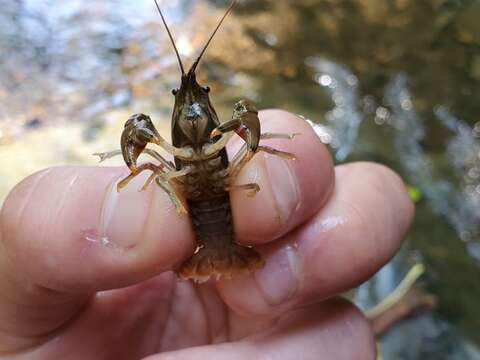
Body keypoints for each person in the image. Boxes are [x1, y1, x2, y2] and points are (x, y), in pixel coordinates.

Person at [0, 110, 414, 359]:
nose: (193, 115)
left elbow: (254, 145)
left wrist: (260, 152)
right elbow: (146, 160)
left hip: (223, 221)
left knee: (272, 160)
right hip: (196, 220)